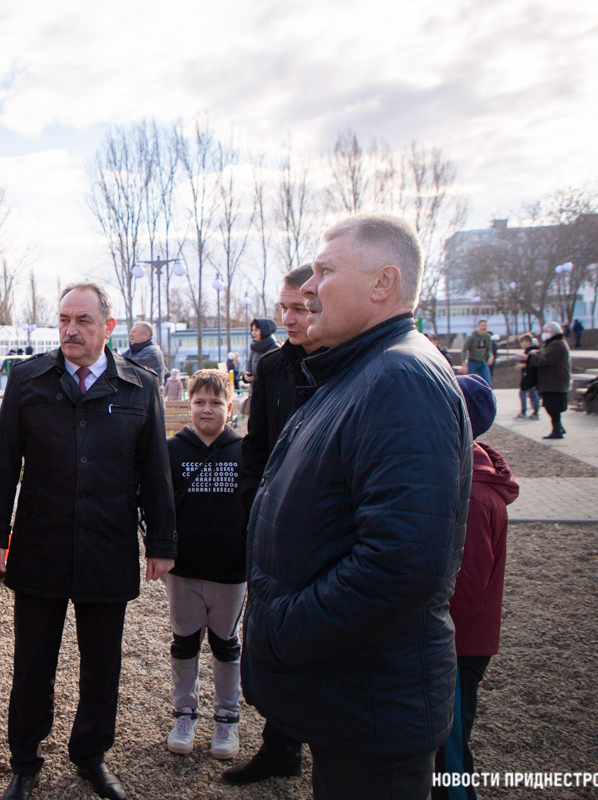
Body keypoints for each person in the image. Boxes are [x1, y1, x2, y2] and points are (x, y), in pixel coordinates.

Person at [243, 214, 471, 800]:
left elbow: (402, 563)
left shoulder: (400, 379)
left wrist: (283, 630)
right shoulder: (363, 368)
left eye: (325, 271)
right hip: (349, 692)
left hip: (372, 704)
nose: (309, 288)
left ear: (382, 283)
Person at [0, 282, 176, 800]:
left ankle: (90, 755)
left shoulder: (139, 386)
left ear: (108, 327)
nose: (70, 329)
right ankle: (25, 761)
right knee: (32, 665)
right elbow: (5, 462)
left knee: (102, 665)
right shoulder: (27, 380)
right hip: (40, 544)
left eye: (83, 320)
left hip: (107, 546)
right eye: (64, 319)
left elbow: (155, 470)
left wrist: (162, 541)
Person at [229, 263, 320, 785]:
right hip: (274, 523)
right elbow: (257, 441)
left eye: (300, 308)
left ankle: (327, 748)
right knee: (276, 635)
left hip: (326, 525)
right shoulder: (272, 366)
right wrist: (253, 501)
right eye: (283, 308)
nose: (288, 318)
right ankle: (281, 745)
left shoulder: (350, 365)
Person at [433, 375, 519, 800]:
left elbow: (464, 590)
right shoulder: (471, 471)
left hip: (458, 643)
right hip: (459, 639)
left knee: (449, 744)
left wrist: (430, 627)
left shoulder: (473, 493)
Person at [163, 369, 247, 762]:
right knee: (184, 641)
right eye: (200, 402)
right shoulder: (171, 451)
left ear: (230, 407)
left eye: (216, 402)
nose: (207, 409)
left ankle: (227, 717)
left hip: (230, 570)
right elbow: (155, 505)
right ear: (189, 405)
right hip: (184, 569)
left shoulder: (245, 452)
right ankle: (184, 713)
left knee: (225, 642)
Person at [522, 321, 570, 440]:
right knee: (551, 405)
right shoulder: (553, 343)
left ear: (552, 332)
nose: (544, 334)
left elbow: (544, 361)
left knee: (553, 406)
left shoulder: (556, 344)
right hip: (552, 381)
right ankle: (558, 427)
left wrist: (533, 356)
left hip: (554, 382)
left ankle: (557, 430)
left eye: (546, 331)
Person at [243, 318, 278, 382]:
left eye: (256, 330)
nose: (253, 333)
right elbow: (249, 370)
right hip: (254, 387)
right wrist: (246, 377)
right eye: (252, 330)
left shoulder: (275, 349)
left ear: (265, 331)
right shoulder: (254, 347)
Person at [461, 318, 494, 385]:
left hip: (482, 362)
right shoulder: (472, 337)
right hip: (472, 362)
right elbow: (464, 349)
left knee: (488, 382)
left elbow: (488, 349)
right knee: (470, 382)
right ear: (478, 326)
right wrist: (464, 364)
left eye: (485, 326)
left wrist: (490, 356)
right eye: (482, 326)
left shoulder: (487, 337)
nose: (484, 328)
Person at [515, 333, 540, 420]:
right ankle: (535, 411)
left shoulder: (531, 351)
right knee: (532, 393)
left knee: (523, 393)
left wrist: (522, 365)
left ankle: (524, 412)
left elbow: (531, 362)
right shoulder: (534, 350)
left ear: (527, 342)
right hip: (532, 375)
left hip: (528, 375)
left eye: (522, 342)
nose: (521, 344)